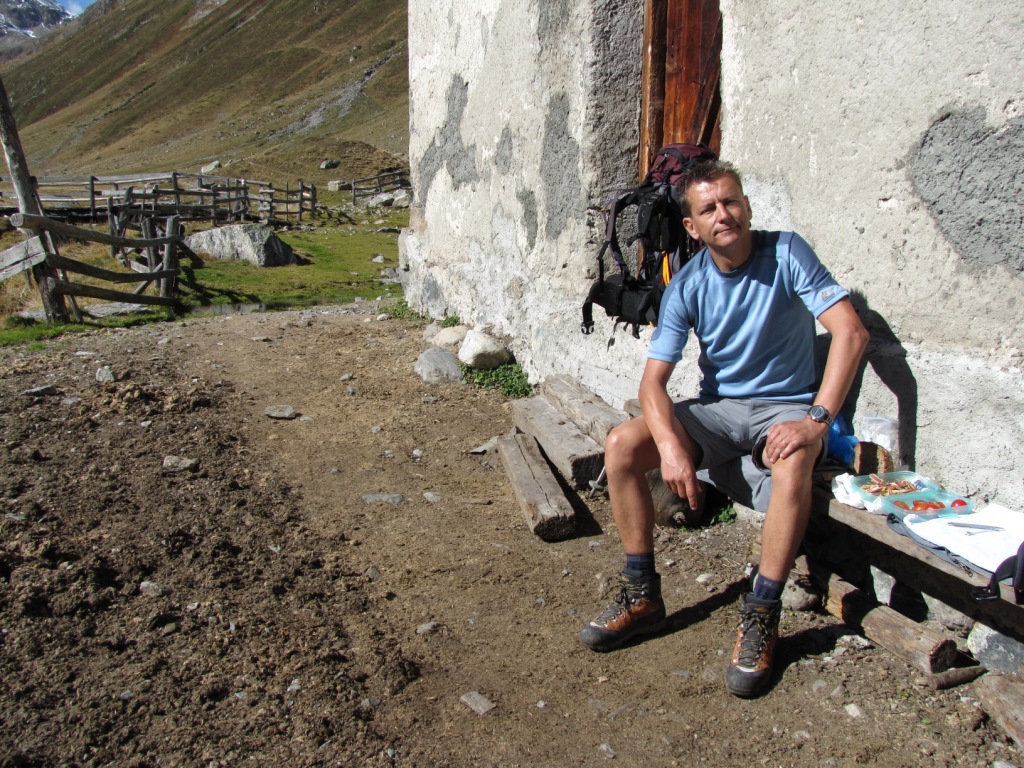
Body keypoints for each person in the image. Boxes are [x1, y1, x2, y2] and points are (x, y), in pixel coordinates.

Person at [578, 160, 869, 698]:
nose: (723, 214)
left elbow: (850, 333)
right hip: (718, 409)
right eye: (708, 208)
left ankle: (762, 609)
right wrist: (670, 447)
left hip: (787, 407)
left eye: (731, 202)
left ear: (747, 207)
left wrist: (815, 422)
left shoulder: (786, 252)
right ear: (692, 227)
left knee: (794, 460)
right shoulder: (687, 283)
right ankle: (641, 593)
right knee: (621, 445)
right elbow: (652, 384)